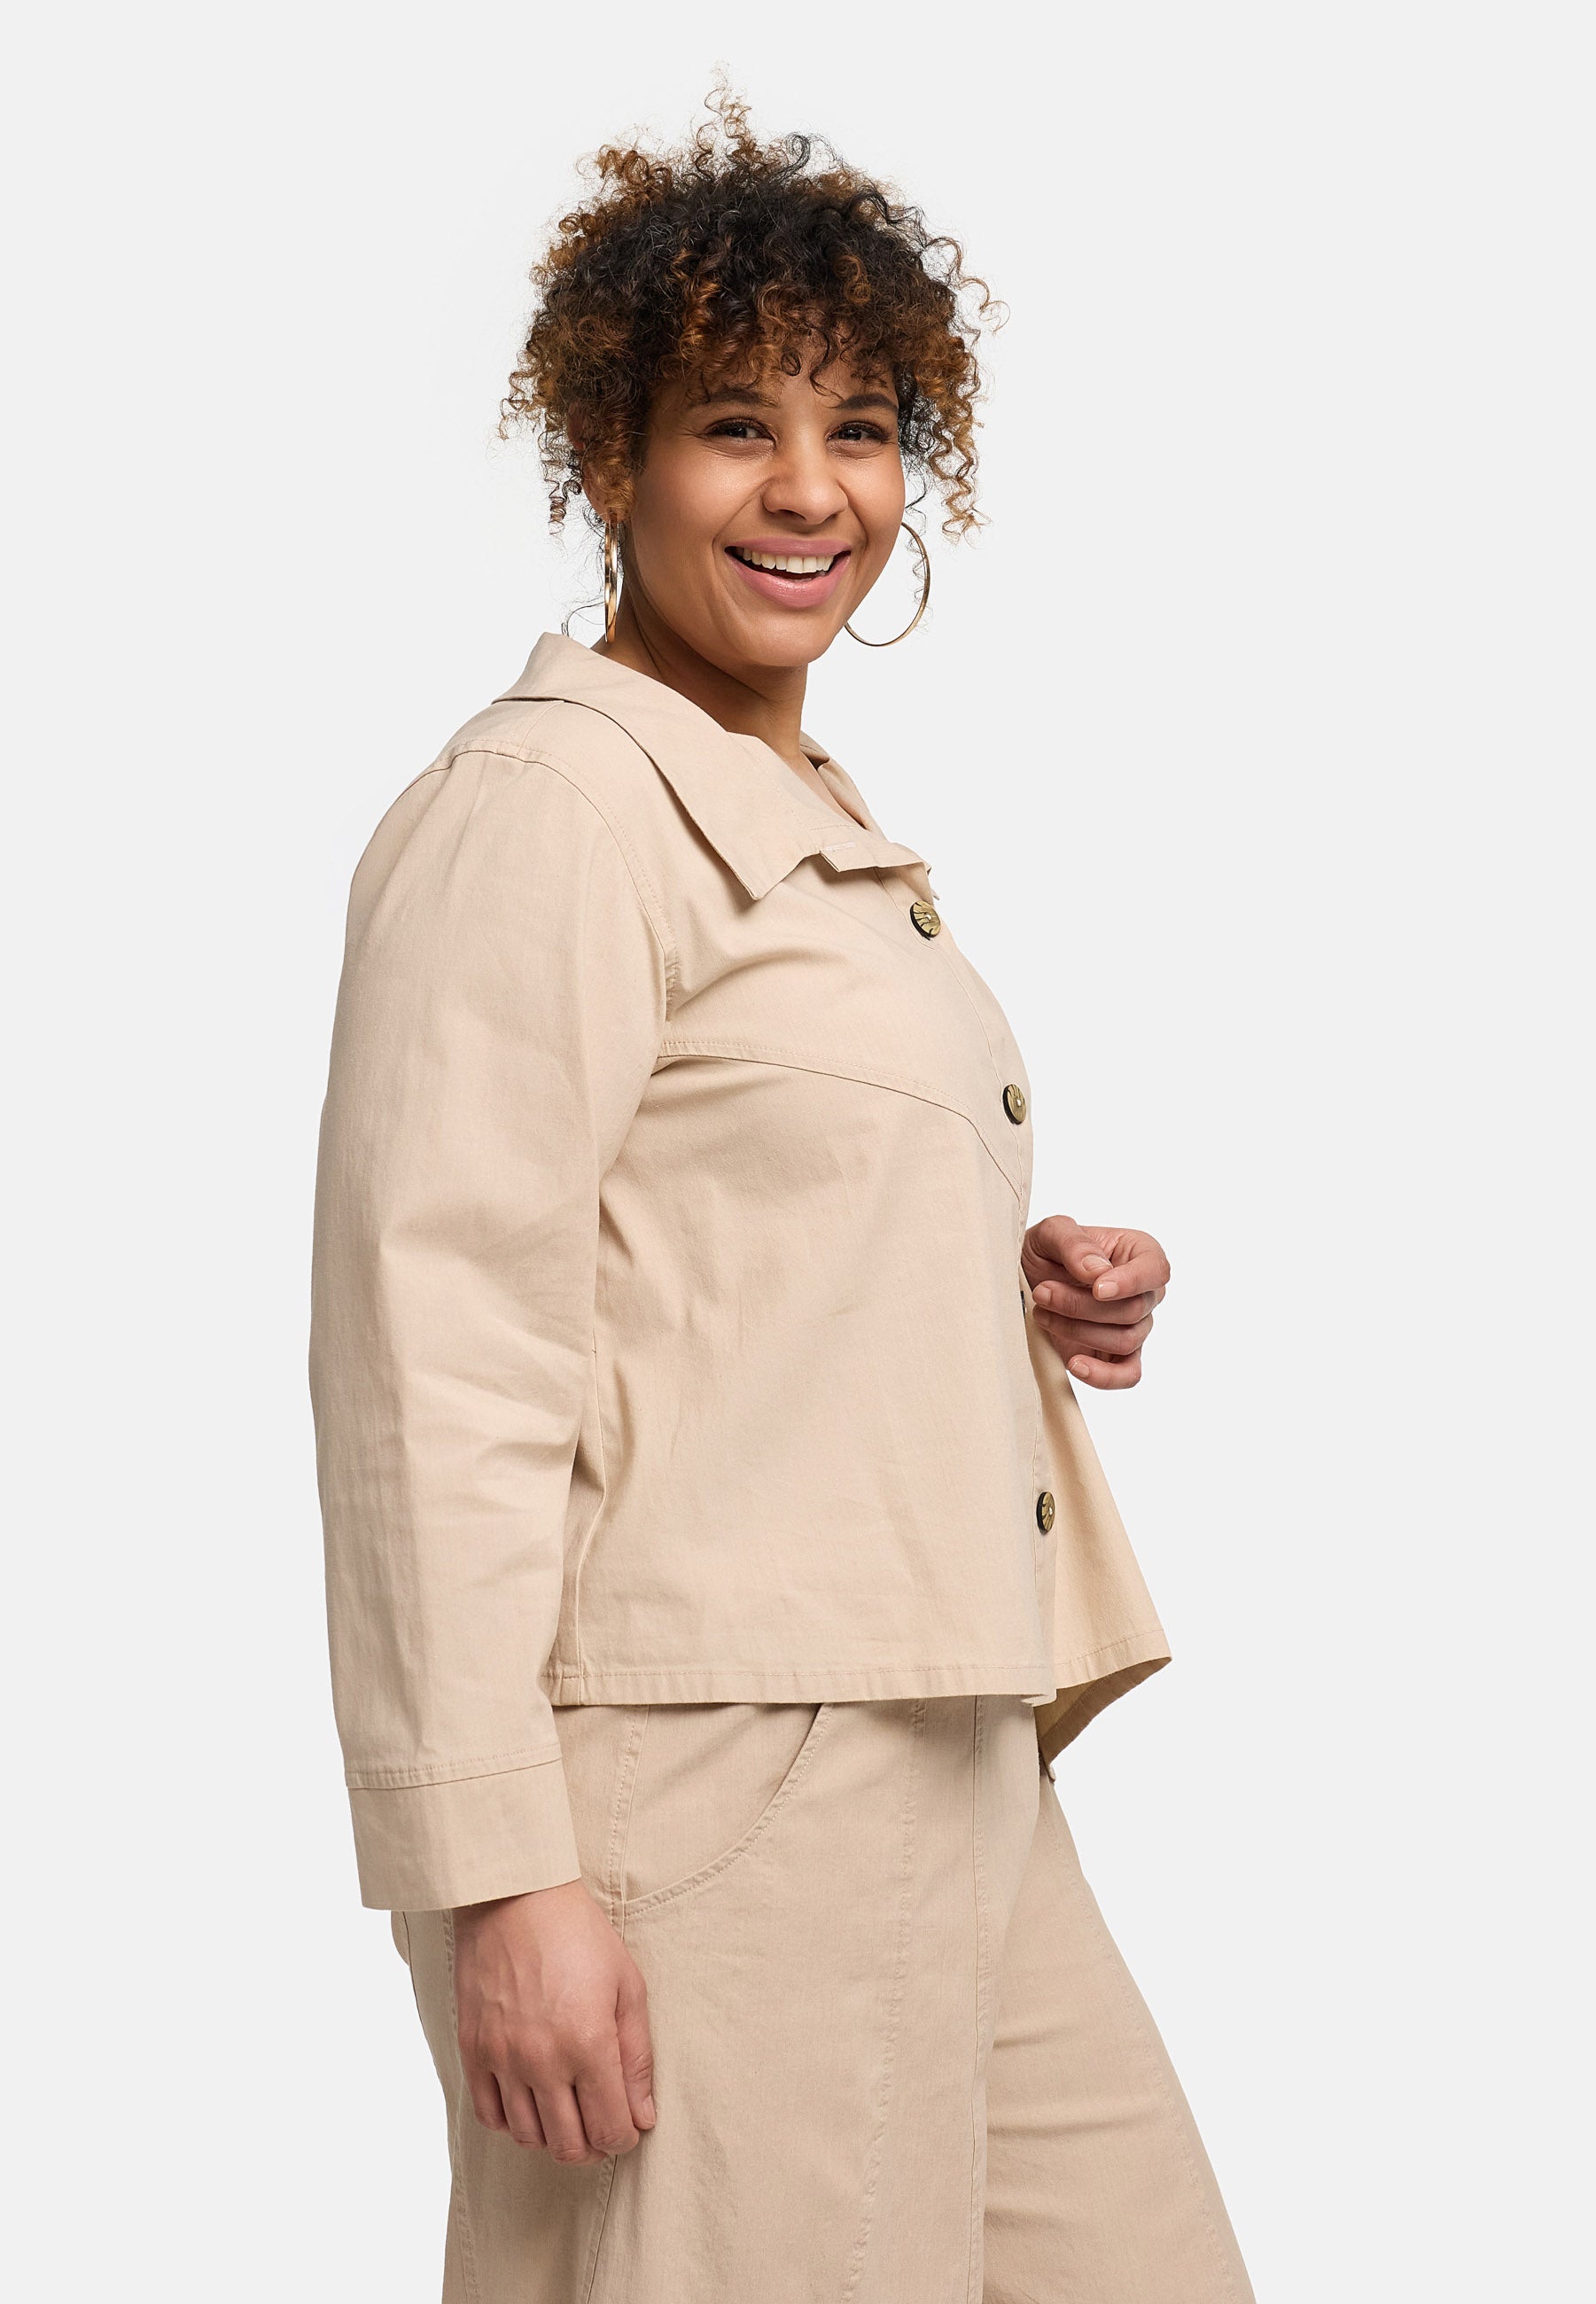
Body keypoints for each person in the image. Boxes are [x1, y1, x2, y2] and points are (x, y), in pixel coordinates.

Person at [310, 89, 1256, 2304]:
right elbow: (433, 1365)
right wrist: (501, 1874)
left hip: (945, 1745)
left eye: (863, 427)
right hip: (707, 1782)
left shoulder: (796, 813)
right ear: (611, 457)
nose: (809, 488)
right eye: (736, 426)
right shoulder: (549, 809)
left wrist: (1006, 1281)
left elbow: (719, 1236)